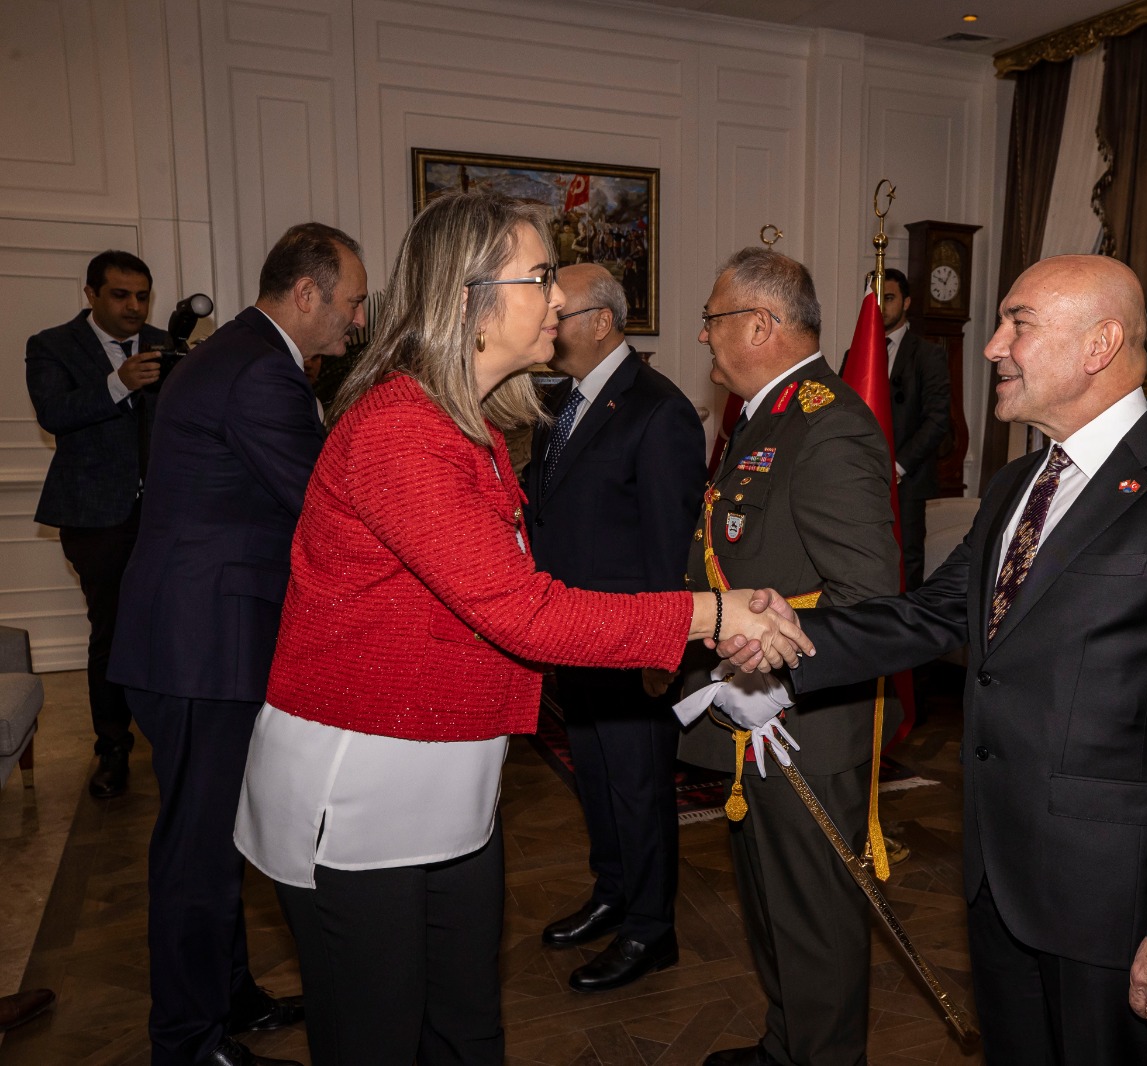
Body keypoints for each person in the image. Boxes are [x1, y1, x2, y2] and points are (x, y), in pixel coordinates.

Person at [231, 192, 809, 1066]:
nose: (558, 298)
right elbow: (522, 609)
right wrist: (714, 612)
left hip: (449, 773)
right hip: (361, 784)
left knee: (467, 1029)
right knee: (377, 1039)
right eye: (539, 277)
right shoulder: (399, 428)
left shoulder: (475, 427)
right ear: (468, 295)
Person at [728, 255, 1147, 1065]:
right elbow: (932, 613)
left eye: (1017, 324)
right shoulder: (1021, 481)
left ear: (1099, 344)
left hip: (1112, 906)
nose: (993, 346)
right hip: (999, 876)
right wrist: (789, 637)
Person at [108, 222, 369, 1066]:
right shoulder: (261, 371)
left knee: (218, 839)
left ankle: (227, 998)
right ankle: (188, 1042)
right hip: (204, 647)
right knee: (198, 855)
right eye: (353, 302)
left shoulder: (241, 355)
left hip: (194, 637)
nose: (357, 319)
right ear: (307, 293)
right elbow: (326, 508)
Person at [678, 247, 900, 1066]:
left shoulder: (826, 422)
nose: (704, 335)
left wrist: (782, 676)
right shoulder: (767, 416)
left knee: (816, 918)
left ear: (760, 325)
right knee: (772, 904)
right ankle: (786, 1046)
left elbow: (867, 596)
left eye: (713, 319)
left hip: (803, 719)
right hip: (753, 706)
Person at [523, 263, 705, 992]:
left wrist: (663, 648)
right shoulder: (559, 401)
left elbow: (669, 546)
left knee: (638, 785)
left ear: (601, 322)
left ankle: (651, 929)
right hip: (573, 632)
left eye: (557, 312)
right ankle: (613, 892)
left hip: (632, 640)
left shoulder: (659, 411)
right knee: (595, 775)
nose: (546, 324)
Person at [25, 251, 171, 798]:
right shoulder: (52, 345)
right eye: (120, 295)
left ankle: (173, 741)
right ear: (90, 294)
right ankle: (112, 748)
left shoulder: (166, 342)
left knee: (171, 627)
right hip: (95, 517)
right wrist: (118, 383)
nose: (134, 307)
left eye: (142, 296)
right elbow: (54, 414)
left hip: (167, 515)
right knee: (111, 631)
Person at [880, 267, 951, 589]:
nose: (881, 306)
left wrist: (898, 466)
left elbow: (937, 419)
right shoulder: (858, 353)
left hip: (907, 480)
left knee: (905, 562)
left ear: (906, 302)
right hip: (864, 478)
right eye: (876, 298)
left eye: (889, 298)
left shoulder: (928, 354)